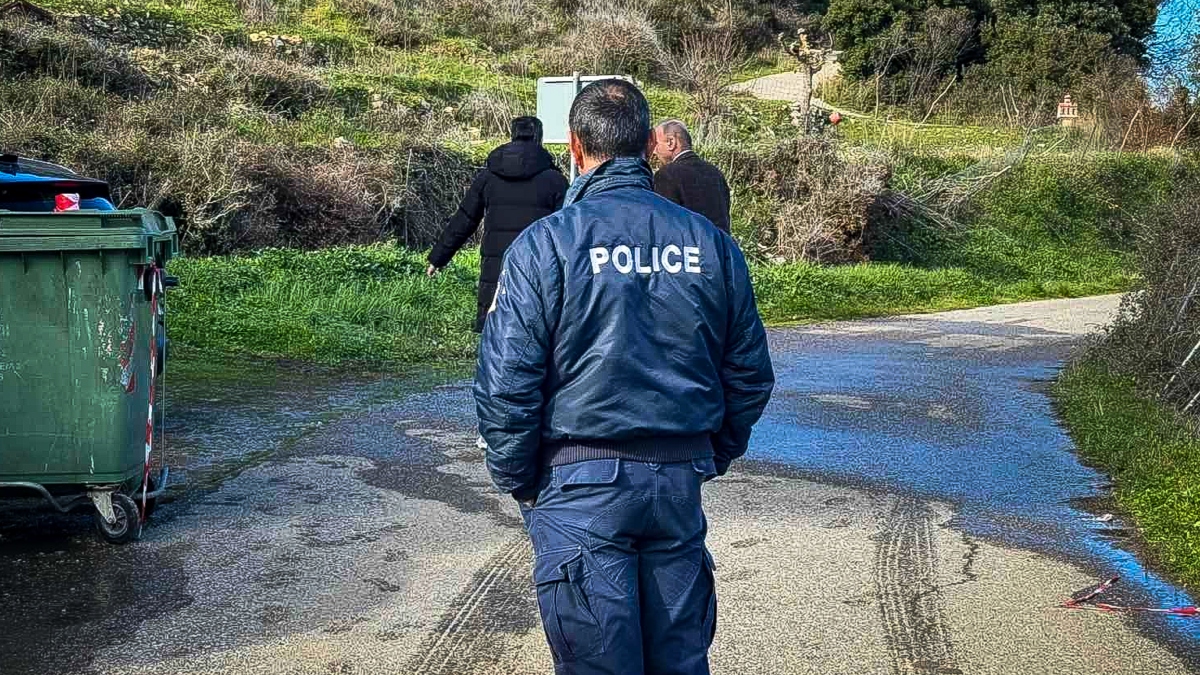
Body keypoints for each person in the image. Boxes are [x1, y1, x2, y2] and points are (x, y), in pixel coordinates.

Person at [475, 80, 774, 675]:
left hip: (578, 481)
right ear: (645, 146)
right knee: (680, 662)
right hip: (676, 483)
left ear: (576, 149)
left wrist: (521, 481)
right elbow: (749, 373)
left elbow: (506, 381)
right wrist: (708, 453)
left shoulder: (545, 245)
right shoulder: (710, 245)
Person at [427, 116, 569, 333]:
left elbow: (464, 219)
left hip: (495, 271)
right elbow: (567, 232)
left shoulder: (488, 178)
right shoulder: (554, 180)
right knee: (534, 333)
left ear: (512, 134)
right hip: (536, 268)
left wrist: (438, 258)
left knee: (494, 335)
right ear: (539, 137)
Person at [650, 120, 732, 233]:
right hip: (720, 247)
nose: (654, 151)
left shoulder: (667, 174)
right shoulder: (716, 173)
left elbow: (665, 225)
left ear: (671, 142)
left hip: (689, 248)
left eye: (656, 144)